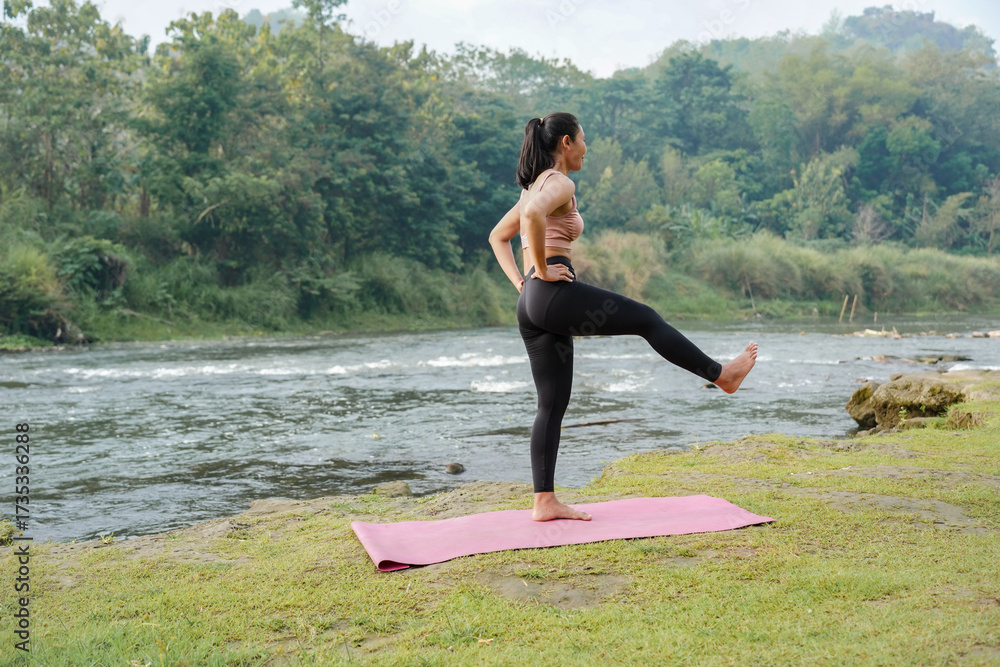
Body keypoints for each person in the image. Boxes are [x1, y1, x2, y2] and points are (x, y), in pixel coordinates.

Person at [488, 112, 758, 522]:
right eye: (583, 140)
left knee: (551, 403)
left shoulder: (532, 186)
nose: (586, 148)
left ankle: (544, 501)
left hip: (531, 305)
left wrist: (523, 283)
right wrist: (542, 272)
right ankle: (723, 376)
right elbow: (530, 219)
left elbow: (498, 236)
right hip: (552, 293)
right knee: (647, 320)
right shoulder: (559, 181)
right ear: (565, 143)